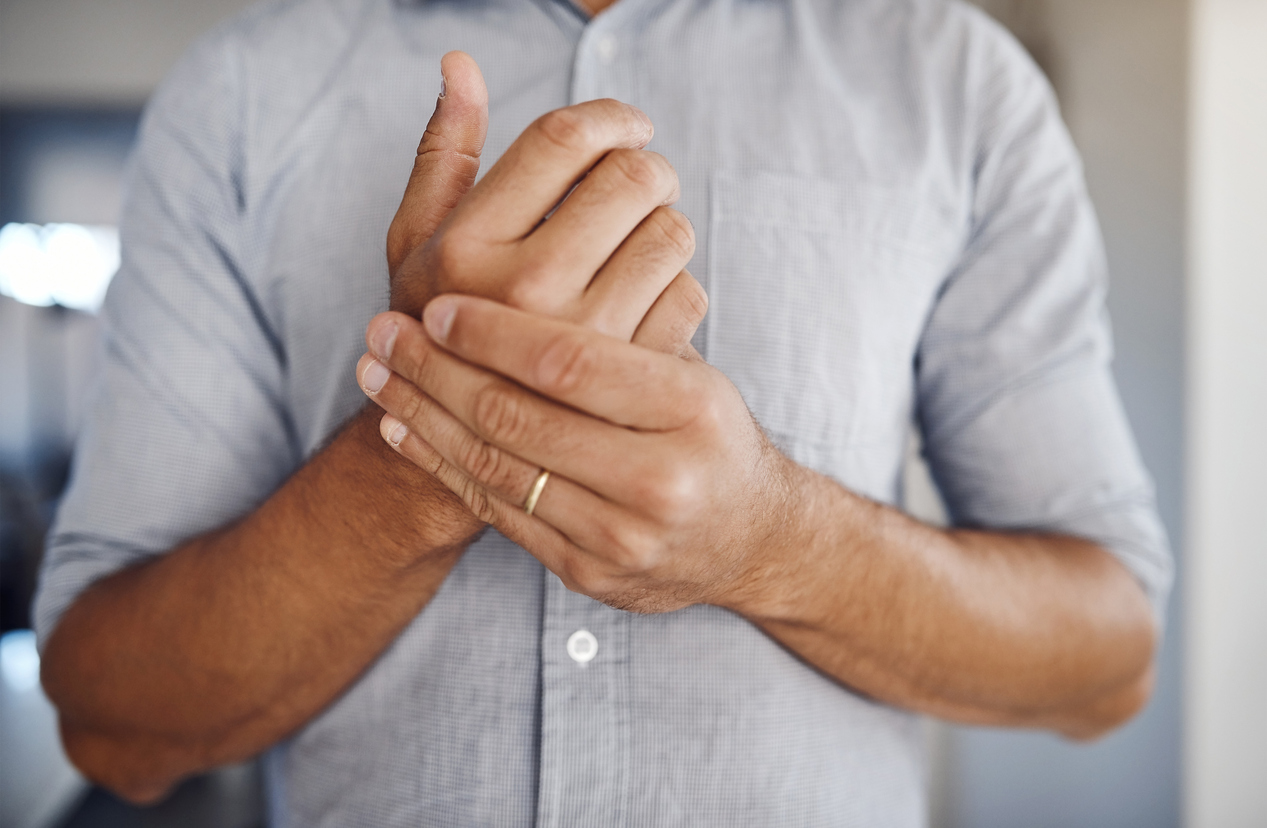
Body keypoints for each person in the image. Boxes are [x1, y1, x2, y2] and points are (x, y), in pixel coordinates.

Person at [34, 0, 1172, 824]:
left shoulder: (953, 80)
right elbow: (111, 719)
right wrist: (438, 433)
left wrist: (773, 546)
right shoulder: (239, 91)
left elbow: (1105, 659)